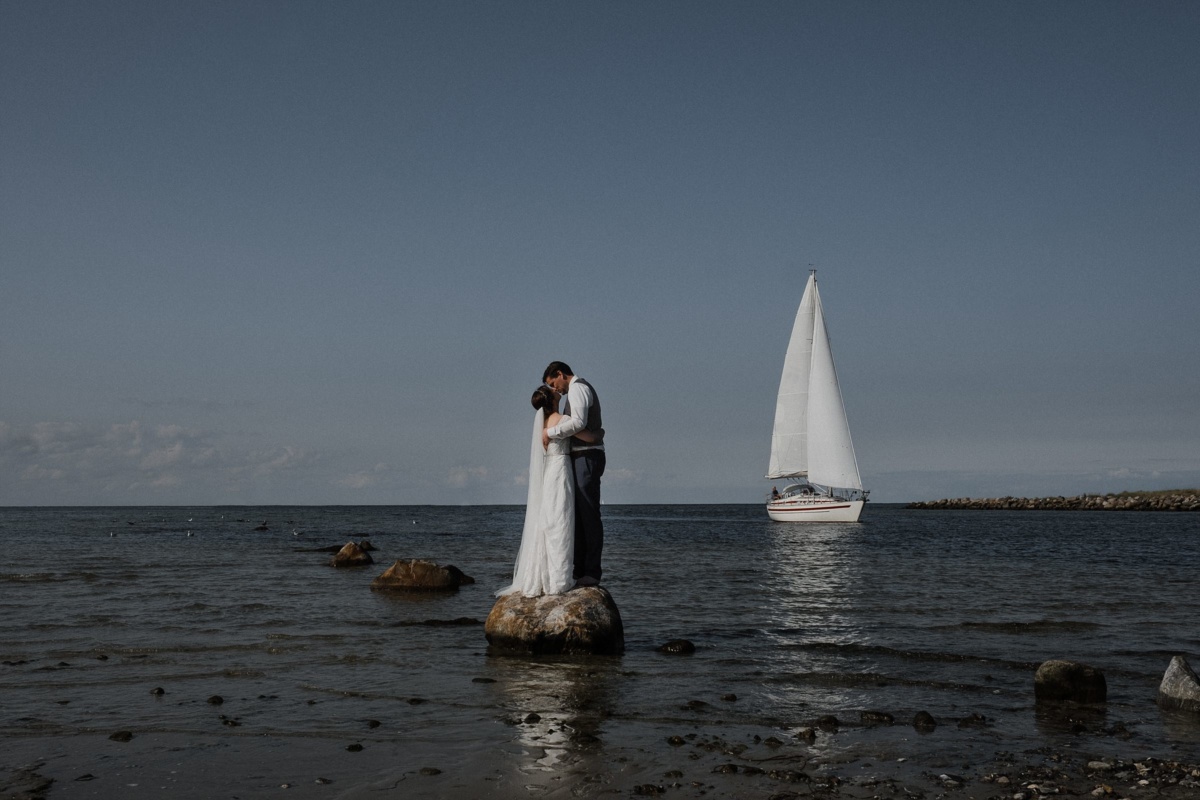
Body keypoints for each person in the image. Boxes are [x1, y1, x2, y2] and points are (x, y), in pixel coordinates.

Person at [496, 386, 600, 597]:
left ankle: (545, 575)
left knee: (549, 521)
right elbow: (589, 437)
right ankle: (558, 579)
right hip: (561, 471)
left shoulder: (541, 425)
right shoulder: (562, 420)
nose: (556, 390)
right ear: (552, 400)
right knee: (561, 521)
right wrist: (600, 433)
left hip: (548, 474)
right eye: (553, 391)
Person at [542, 361, 605, 587]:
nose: (555, 389)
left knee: (589, 515)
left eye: (554, 383)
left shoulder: (578, 388)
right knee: (578, 516)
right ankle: (580, 570)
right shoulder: (573, 392)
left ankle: (591, 572)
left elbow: (578, 422)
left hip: (587, 456)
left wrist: (551, 432)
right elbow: (585, 429)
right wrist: (596, 435)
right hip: (581, 455)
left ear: (560, 374)